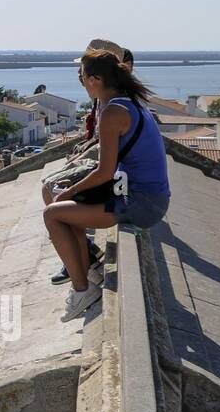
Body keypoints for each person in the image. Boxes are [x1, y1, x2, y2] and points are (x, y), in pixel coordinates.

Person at [43, 49, 171, 321]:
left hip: (141, 203)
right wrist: (75, 189)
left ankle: (82, 290)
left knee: (52, 214)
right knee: (67, 208)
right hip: (143, 194)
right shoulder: (129, 103)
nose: (82, 80)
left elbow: (104, 171)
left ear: (95, 80)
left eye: (84, 76)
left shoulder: (113, 112)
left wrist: (72, 189)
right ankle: (87, 270)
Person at [43, 39, 129, 284]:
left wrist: (79, 163)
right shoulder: (104, 98)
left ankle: (81, 260)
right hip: (100, 154)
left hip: (108, 163)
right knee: (51, 187)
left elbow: (106, 148)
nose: (79, 75)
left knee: (54, 189)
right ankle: (81, 254)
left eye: (83, 70)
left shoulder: (112, 101)